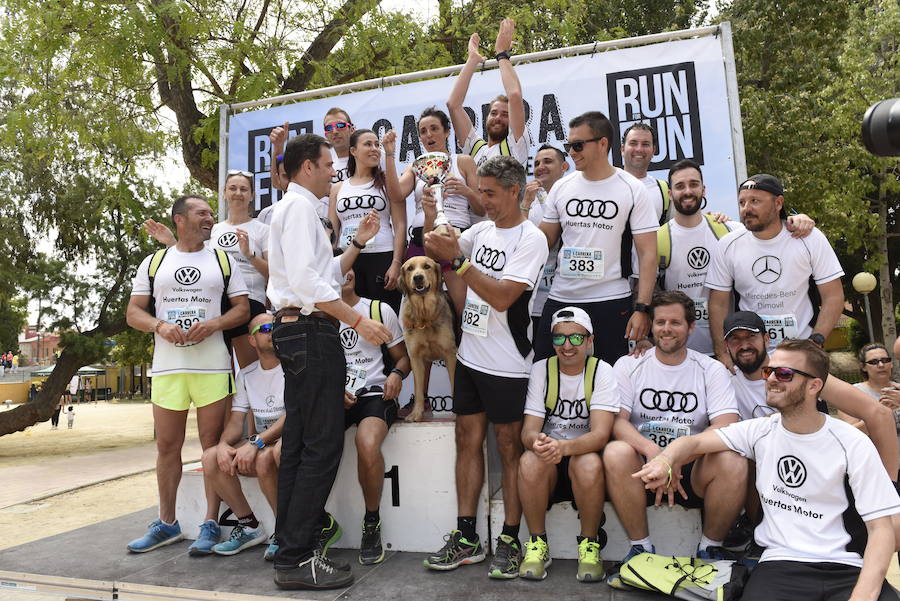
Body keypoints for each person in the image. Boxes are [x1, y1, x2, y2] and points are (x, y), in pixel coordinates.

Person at [635, 339, 900, 601]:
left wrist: (864, 595)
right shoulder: (760, 431)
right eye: (769, 371)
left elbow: (881, 530)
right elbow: (694, 442)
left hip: (847, 566)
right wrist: (665, 460)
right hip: (780, 565)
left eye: (784, 373)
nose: (772, 378)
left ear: (814, 385)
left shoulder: (851, 442)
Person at [266, 132, 392, 590]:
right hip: (309, 330)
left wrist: (355, 243)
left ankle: (289, 549)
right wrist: (358, 321)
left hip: (298, 329)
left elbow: (322, 275)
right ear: (306, 169)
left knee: (300, 445)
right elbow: (307, 284)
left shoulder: (297, 209)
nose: (333, 173)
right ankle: (298, 557)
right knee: (320, 446)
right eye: (327, 165)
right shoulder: (299, 208)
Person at [422, 156, 549, 578]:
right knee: (466, 441)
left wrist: (457, 261)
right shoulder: (481, 230)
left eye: (491, 193)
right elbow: (446, 250)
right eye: (481, 190)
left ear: (516, 191)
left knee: (510, 449)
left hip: (509, 364)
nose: (484, 200)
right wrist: (433, 223)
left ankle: (512, 539)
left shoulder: (531, 240)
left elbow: (501, 297)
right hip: (470, 357)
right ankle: (467, 536)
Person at [125, 194, 250, 554]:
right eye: (202, 213)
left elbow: (242, 310)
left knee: (211, 448)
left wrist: (214, 323)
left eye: (211, 213)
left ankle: (210, 523)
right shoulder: (154, 261)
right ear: (180, 220)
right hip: (168, 368)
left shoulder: (223, 260)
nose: (210, 218)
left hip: (211, 366)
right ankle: (167, 523)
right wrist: (159, 326)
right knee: (167, 446)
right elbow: (134, 313)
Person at [604, 291, 746, 588]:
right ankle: (640, 549)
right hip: (642, 467)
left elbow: (725, 425)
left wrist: (677, 458)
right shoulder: (628, 365)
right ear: (652, 326)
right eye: (660, 322)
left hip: (691, 468)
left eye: (675, 323)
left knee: (733, 459)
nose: (666, 329)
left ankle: (709, 549)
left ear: (691, 327)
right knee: (616, 451)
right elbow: (616, 422)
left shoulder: (711, 369)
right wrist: (658, 456)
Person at [655, 160, 815, 355]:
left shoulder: (729, 230)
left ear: (704, 189)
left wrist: (798, 219)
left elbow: (769, 230)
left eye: (694, 184)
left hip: (732, 350)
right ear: (670, 194)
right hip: (680, 349)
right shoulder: (657, 239)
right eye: (680, 186)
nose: (688, 191)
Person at [535, 111, 658, 364]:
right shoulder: (562, 187)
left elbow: (648, 254)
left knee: (611, 379)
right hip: (562, 296)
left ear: (603, 144)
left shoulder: (632, 188)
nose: (572, 152)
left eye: (578, 145)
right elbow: (543, 240)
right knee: (544, 371)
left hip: (611, 299)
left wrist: (642, 308)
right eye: (569, 145)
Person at [725, 312, 899, 479]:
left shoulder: (798, 366)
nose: (744, 345)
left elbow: (879, 413)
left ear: (766, 338)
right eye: (735, 339)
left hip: (820, 468)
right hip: (768, 474)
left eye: (750, 336)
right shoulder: (722, 378)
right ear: (726, 346)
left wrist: (890, 486)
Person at [517, 307, 618, 582]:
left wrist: (561, 448)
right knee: (528, 459)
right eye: (559, 339)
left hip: (581, 460)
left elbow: (600, 435)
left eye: (576, 338)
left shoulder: (601, 371)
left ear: (589, 340)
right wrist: (536, 442)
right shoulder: (542, 370)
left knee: (588, 462)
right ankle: (537, 544)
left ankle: (589, 544)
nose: (567, 346)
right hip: (549, 459)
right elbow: (528, 431)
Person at [706, 174, 845, 367]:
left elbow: (834, 296)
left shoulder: (809, 238)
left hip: (801, 351)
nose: (747, 208)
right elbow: (718, 304)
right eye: (742, 202)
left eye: (755, 201)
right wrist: (722, 353)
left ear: (778, 203)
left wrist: (816, 342)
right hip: (751, 357)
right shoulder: (728, 245)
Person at [145, 171, 269, 369]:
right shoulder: (213, 229)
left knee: (251, 369)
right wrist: (171, 242)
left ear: (252, 195)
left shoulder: (263, 229)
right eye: (233, 188)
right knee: (222, 370)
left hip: (250, 303)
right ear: (224, 193)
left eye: (244, 189)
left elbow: (273, 275)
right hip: (216, 305)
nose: (238, 193)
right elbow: (194, 260)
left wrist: (249, 255)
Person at [338, 264, 411, 565]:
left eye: (350, 266)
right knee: (309, 444)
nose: (346, 271)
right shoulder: (319, 316)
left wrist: (396, 374)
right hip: (336, 399)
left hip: (374, 397)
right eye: (337, 266)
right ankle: (318, 522)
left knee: (367, 443)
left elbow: (404, 357)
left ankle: (371, 522)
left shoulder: (379, 310)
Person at [199, 313, 284, 559]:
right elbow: (237, 420)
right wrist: (225, 444)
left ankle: (284, 530)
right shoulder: (246, 374)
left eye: (276, 326)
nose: (273, 331)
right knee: (211, 456)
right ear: (252, 340)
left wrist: (256, 442)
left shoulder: (292, 366)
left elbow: (293, 417)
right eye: (266, 328)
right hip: (261, 441)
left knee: (263, 458)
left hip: (283, 440)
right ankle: (249, 525)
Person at [385, 107, 481, 315]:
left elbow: (481, 209)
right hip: (421, 242)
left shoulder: (462, 162)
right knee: (421, 315)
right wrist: (390, 155)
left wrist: (467, 192)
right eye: (423, 131)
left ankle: (464, 348)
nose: (429, 135)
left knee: (462, 310)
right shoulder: (415, 166)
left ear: (447, 132)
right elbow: (396, 194)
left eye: (434, 129)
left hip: (455, 239)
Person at [447, 19, 528, 196]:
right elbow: (453, 105)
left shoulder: (515, 146)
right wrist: (472, 60)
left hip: (504, 222)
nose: (498, 117)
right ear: (486, 117)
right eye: (494, 112)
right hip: (475, 223)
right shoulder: (476, 148)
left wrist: (502, 55)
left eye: (505, 114)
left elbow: (514, 95)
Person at [328, 129, 405, 312]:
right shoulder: (338, 187)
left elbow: (400, 225)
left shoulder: (387, 182)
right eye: (368, 144)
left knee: (385, 316)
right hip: (348, 259)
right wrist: (332, 263)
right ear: (353, 150)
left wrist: (396, 263)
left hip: (381, 256)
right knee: (354, 318)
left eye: (377, 145)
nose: (375, 149)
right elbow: (332, 230)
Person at [521, 144, 569, 338]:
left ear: (564, 166)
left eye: (548, 161)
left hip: (568, 294)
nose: (540, 166)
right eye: (537, 163)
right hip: (534, 301)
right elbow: (517, 241)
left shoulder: (574, 197)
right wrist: (525, 204)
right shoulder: (526, 201)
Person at [620, 123, 670, 224]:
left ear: (653, 151)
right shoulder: (605, 185)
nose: (639, 149)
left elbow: (680, 227)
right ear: (622, 150)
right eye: (633, 143)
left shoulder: (665, 190)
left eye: (645, 144)